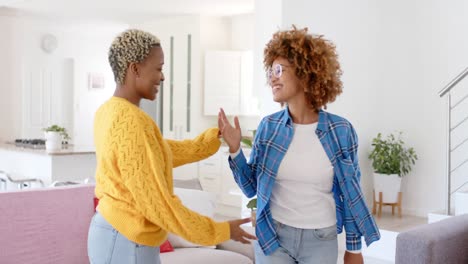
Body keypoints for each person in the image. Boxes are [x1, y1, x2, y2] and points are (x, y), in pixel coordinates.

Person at [87, 29, 256, 264]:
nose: (162, 77)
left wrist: (213, 138)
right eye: (158, 68)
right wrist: (220, 231)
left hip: (115, 232)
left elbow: (158, 152)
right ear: (135, 69)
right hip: (125, 239)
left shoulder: (109, 111)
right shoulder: (131, 121)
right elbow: (160, 205)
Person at [218, 26, 380, 264]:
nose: (272, 77)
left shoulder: (341, 131)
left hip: (321, 240)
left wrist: (353, 250)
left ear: (305, 73)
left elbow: (351, 194)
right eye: (270, 71)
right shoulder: (269, 128)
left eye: (279, 69)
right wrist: (235, 150)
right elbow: (251, 187)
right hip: (273, 238)